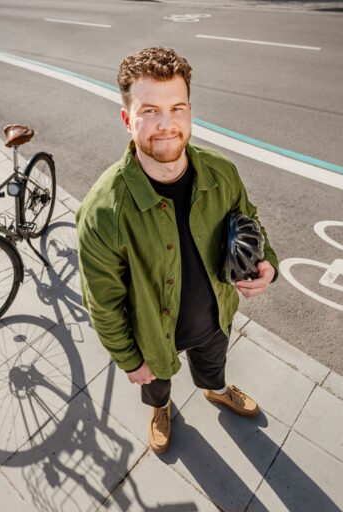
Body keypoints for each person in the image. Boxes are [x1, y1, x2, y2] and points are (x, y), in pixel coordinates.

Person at [76, 47, 278, 454]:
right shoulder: (102, 211)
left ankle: (216, 389)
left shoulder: (222, 172)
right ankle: (162, 408)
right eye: (149, 110)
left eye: (177, 108)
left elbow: (249, 220)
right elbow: (103, 302)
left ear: (189, 111)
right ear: (126, 119)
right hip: (152, 338)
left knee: (213, 363)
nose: (166, 125)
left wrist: (267, 263)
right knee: (155, 385)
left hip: (214, 317)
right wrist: (130, 361)